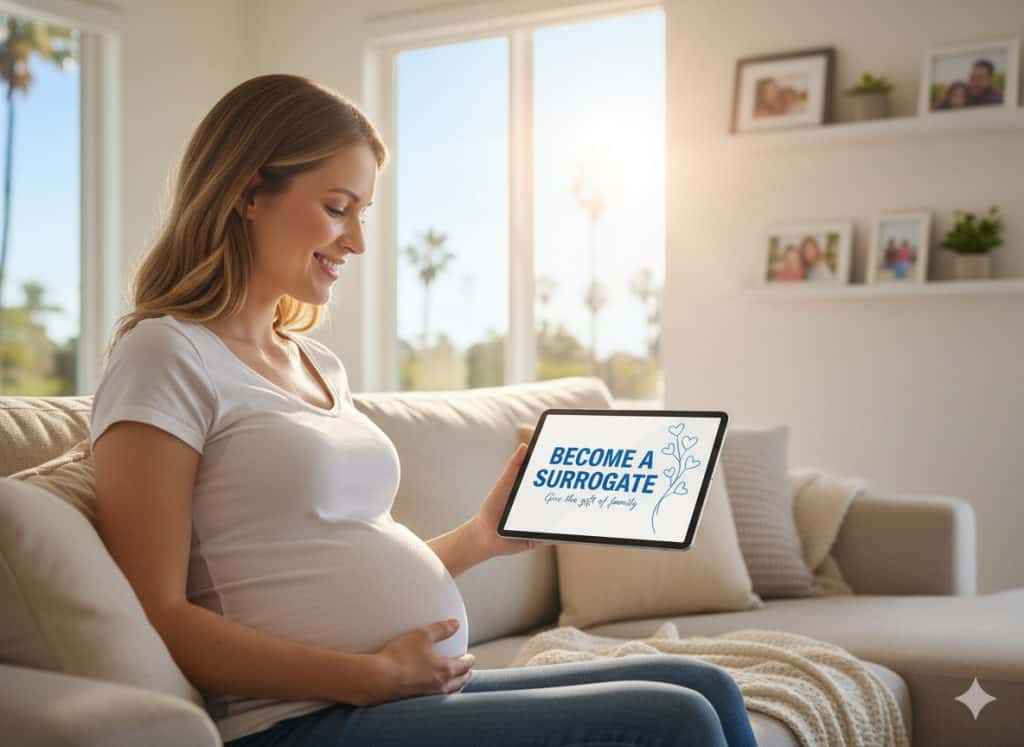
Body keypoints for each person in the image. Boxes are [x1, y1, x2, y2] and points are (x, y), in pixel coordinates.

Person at [90, 74, 758, 747]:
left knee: (706, 685)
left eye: (362, 213)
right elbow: (156, 612)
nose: (355, 241)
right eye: (336, 207)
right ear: (246, 191)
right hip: (289, 718)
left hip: (388, 694)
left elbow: (329, 554)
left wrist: (479, 538)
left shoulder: (317, 364)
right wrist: (365, 676)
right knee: (676, 720)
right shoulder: (165, 354)